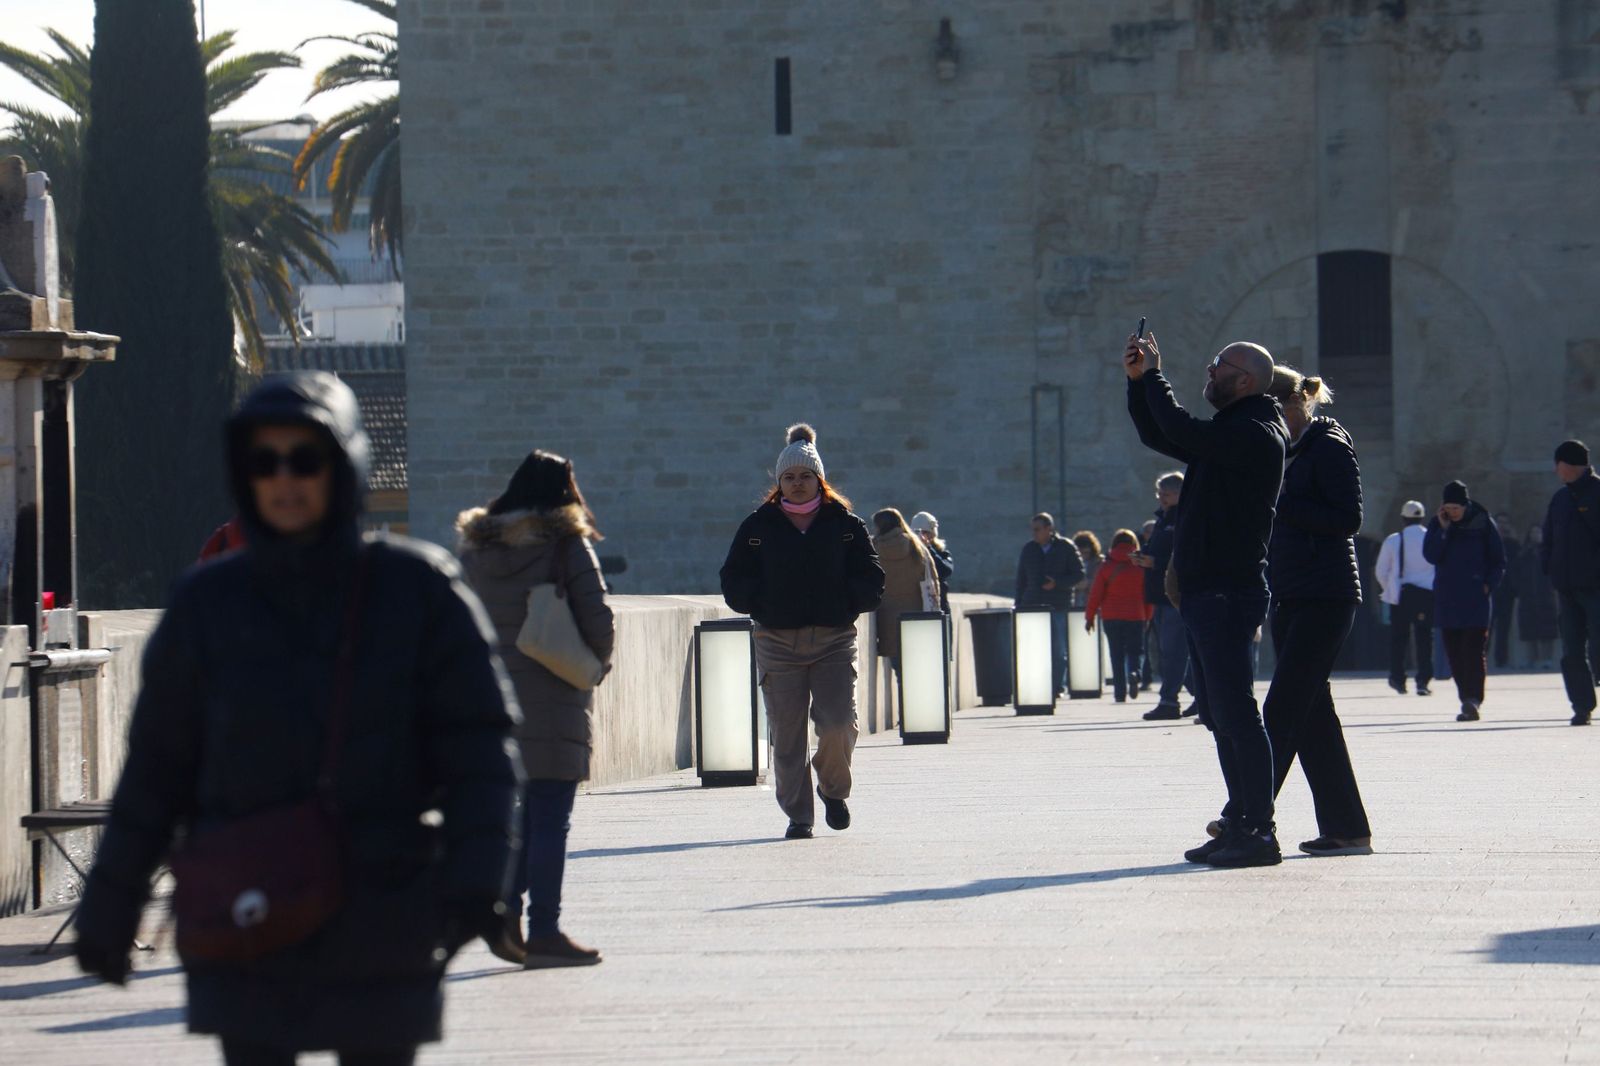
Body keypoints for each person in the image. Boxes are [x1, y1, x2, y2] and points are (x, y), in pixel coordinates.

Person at [72, 372, 522, 1066]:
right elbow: (159, 767)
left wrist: (478, 878)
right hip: (247, 910)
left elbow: (480, 751)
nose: (285, 480)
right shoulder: (206, 606)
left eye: (305, 459)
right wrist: (111, 902)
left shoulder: (419, 590)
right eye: (264, 461)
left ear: (342, 467)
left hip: (383, 907)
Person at [1125, 331, 1289, 868]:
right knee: (1219, 713)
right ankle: (1240, 817)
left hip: (1226, 590)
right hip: (1204, 591)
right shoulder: (1232, 429)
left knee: (1237, 711)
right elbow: (1160, 433)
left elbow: (1176, 426)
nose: (1211, 371)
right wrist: (1137, 384)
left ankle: (1259, 830)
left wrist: (1154, 376)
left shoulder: (1257, 432)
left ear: (1244, 380)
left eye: (1220, 366)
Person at [457, 450, 614, 967]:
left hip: (488, 697)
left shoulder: (474, 549)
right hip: (553, 693)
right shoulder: (565, 545)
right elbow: (598, 618)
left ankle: (505, 914)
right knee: (550, 818)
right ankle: (543, 929)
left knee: (518, 818)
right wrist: (593, 668)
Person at [719, 424, 884, 840]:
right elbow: (734, 577)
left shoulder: (844, 524)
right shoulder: (759, 526)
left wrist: (849, 604)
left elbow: (871, 576)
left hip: (833, 639)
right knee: (787, 735)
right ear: (779, 483)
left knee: (838, 724)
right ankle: (799, 815)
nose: (796, 483)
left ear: (819, 480)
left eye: (804, 476)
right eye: (789, 477)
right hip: (776, 641)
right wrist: (758, 604)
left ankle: (833, 790)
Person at [1258, 367, 1372, 857]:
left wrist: (1283, 505)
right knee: (1311, 716)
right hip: (1290, 594)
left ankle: (1245, 814)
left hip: (1326, 595)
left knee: (1282, 708)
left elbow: (1349, 517)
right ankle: (1348, 828)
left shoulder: (1328, 444)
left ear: (1292, 403)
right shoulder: (1284, 453)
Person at [1423, 480, 1506, 722]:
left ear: (1465, 505)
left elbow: (1498, 560)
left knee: (1473, 649)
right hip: (1448, 598)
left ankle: (1474, 699)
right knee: (1455, 653)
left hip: (1476, 597)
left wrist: (1489, 584)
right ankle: (1465, 699)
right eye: (1448, 507)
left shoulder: (1482, 523)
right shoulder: (1438, 524)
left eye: (1456, 508)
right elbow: (1431, 555)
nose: (1452, 512)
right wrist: (1444, 529)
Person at [1541, 440, 1600, 725]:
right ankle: (1582, 706)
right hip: (1567, 587)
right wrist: (1549, 572)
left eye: (1557, 464)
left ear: (1568, 465)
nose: (1555, 471)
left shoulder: (1598, 493)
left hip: (1596, 586)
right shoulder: (1560, 499)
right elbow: (1549, 539)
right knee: (1572, 651)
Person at [1134, 473, 1190, 719]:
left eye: (1165, 494)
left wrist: (1155, 562)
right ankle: (1202, 697)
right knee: (1172, 651)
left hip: (1175, 595)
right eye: (1159, 494)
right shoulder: (1163, 518)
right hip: (1160, 594)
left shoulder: (1183, 517)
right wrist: (1143, 556)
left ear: (1179, 493)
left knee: (1174, 651)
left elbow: (1185, 555)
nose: (1161, 498)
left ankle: (1169, 701)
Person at [1014, 513, 1085, 699]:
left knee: (1058, 649)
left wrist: (1058, 583)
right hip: (1032, 605)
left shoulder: (1066, 547)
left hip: (1057, 605)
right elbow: (1021, 579)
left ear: (1049, 529)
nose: (1034, 533)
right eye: (1033, 529)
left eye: (1037, 529)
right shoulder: (1029, 549)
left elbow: (1078, 574)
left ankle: (1056, 687)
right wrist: (1018, 605)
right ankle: (1037, 686)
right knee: (1033, 649)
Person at [1084, 529, 1152, 703]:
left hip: (1111, 615)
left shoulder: (1106, 566)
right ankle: (1135, 673)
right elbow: (1148, 595)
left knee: (1116, 654)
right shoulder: (1140, 566)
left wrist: (1089, 616)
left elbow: (1095, 594)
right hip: (1136, 615)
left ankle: (1119, 693)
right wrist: (1148, 616)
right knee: (1136, 651)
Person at [1375, 501, 1435, 696]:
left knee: (1399, 638)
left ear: (1403, 518)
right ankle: (1423, 680)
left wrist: (1390, 589)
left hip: (1402, 595)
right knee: (1424, 638)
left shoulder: (1394, 540)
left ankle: (1398, 678)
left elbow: (1381, 571)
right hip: (1426, 595)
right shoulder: (1430, 538)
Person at [871, 507, 936, 680]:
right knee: (918, 670)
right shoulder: (917, 547)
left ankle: (904, 705)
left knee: (901, 672)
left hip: (887, 621)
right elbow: (933, 581)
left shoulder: (873, 549)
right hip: (918, 618)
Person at [1516, 523, 1560, 668]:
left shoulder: (1548, 552)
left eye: (1538, 532)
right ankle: (1531, 659)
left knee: (1547, 630)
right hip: (1528, 597)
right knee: (1530, 631)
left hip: (1545, 596)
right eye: (1533, 533)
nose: (1536, 535)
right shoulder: (1524, 553)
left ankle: (1547, 659)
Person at [1491, 514, 1521, 669]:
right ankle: (1481, 656)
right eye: (1500, 523)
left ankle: (1501, 659)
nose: (1502, 526)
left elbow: (1518, 565)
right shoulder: (1488, 542)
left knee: (1504, 628)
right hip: (1490, 590)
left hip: (1507, 591)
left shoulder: (1512, 544)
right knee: (1487, 626)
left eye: (1505, 523)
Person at [910, 511, 953, 615]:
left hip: (939, 606)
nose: (923, 536)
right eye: (920, 532)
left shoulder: (940, 552)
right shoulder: (908, 551)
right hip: (915, 606)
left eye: (926, 532)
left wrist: (928, 549)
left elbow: (945, 570)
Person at [1073, 530, 1104, 610]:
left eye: (1086, 552)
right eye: (1080, 553)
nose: (1083, 556)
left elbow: (1104, 583)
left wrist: (1088, 584)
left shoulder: (1100, 563)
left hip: (1094, 605)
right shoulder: (1070, 564)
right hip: (1075, 605)